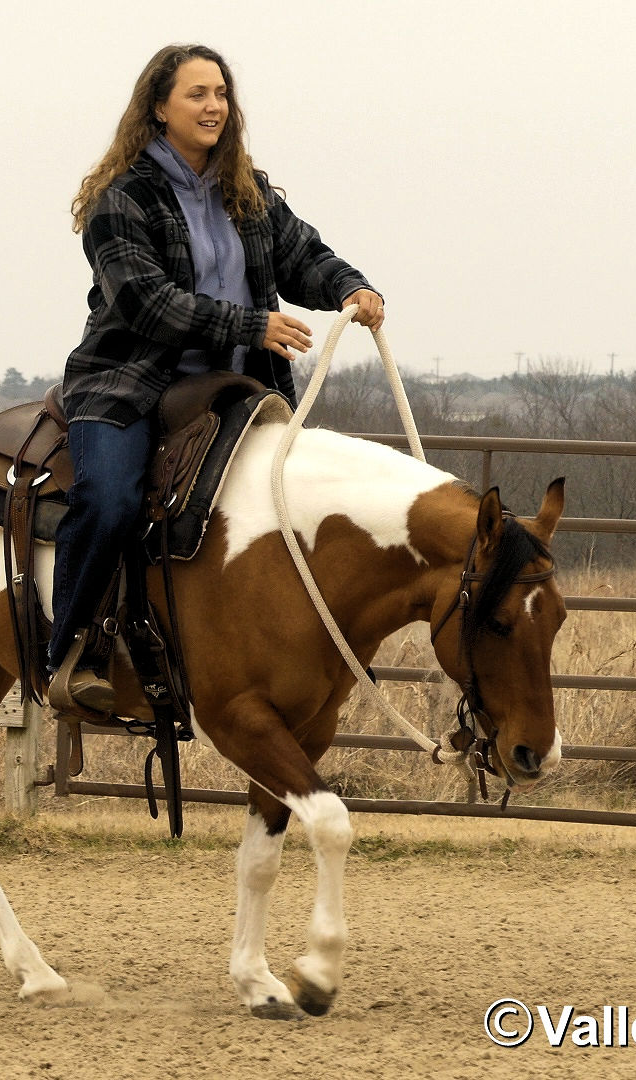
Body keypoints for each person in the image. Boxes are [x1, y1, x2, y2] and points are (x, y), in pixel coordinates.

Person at [47, 43, 384, 715]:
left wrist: (351, 286)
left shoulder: (245, 190)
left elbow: (303, 256)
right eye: (197, 94)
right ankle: (73, 651)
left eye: (221, 94)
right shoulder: (122, 199)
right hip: (129, 383)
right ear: (158, 108)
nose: (214, 106)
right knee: (109, 500)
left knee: (297, 503)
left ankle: (293, 649)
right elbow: (144, 302)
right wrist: (250, 326)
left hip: (237, 389)